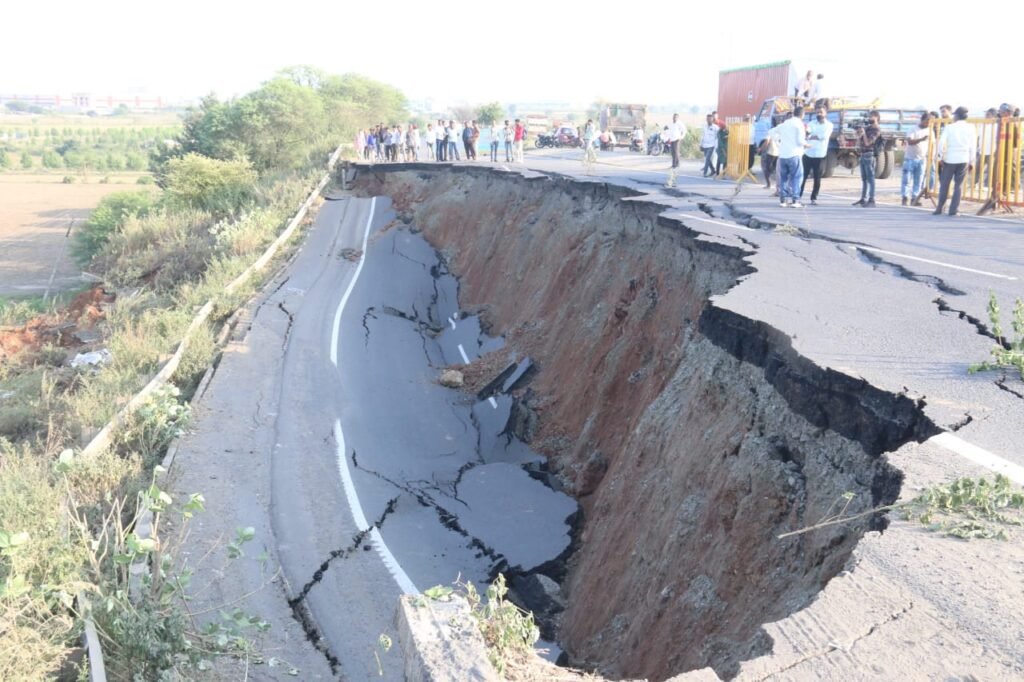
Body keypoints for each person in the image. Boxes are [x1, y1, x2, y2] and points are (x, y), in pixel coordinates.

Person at [933, 106, 976, 216]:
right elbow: (973, 146)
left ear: (957, 116)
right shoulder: (971, 128)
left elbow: (941, 143)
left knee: (945, 184)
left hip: (950, 158)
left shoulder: (950, 127)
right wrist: (972, 161)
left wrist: (940, 157)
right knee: (958, 186)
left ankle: (940, 208)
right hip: (964, 158)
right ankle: (953, 209)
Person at [800, 105, 833, 205]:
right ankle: (798, 197)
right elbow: (807, 135)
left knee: (817, 178)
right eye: (817, 112)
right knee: (803, 176)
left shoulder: (829, 125)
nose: (819, 114)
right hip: (808, 153)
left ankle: (813, 198)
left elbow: (823, 137)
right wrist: (813, 136)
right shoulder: (811, 123)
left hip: (820, 154)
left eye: (821, 112)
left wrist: (813, 136)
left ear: (825, 113)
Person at [777, 105, 808, 207]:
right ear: (803, 114)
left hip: (783, 155)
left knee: (784, 178)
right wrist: (807, 144)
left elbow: (772, 132)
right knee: (796, 177)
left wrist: (778, 143)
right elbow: (800, 141)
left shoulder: (785, 123)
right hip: (794, 154)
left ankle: (783, 200)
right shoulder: (799, 124)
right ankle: (795, 200)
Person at [852, 111, 882, 207]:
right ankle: (863, 198)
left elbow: (868, 143)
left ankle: (871, 199)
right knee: (864, 178)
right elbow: (859, 141)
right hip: (863, 154)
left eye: (871, 117)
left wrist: (864, 133)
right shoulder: (868, 128)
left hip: (869, 154)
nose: (869, 118)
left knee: (870, 178)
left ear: (877, 118)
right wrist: (858, 133)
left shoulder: (876, 130)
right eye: (869, 117)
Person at [902, 112, 930, 206]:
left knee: (919, 180)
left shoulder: (930, 130)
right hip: (910, 158)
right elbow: (910, 142)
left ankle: (915, 198)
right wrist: (921, 139)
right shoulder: (912, 129)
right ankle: (905, 197)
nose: (928, 123)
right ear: (922, 120)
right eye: (927, 121)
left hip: (922, 159)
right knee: (907, 180)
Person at [758, 121, 780, 191]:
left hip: (770, 153)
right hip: (779, 153)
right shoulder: (781, 131)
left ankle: (768, 184)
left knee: (766, 169)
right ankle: (778, 186)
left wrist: (761, 149)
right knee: (777, 170)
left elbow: (767, 141)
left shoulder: (771, 131)